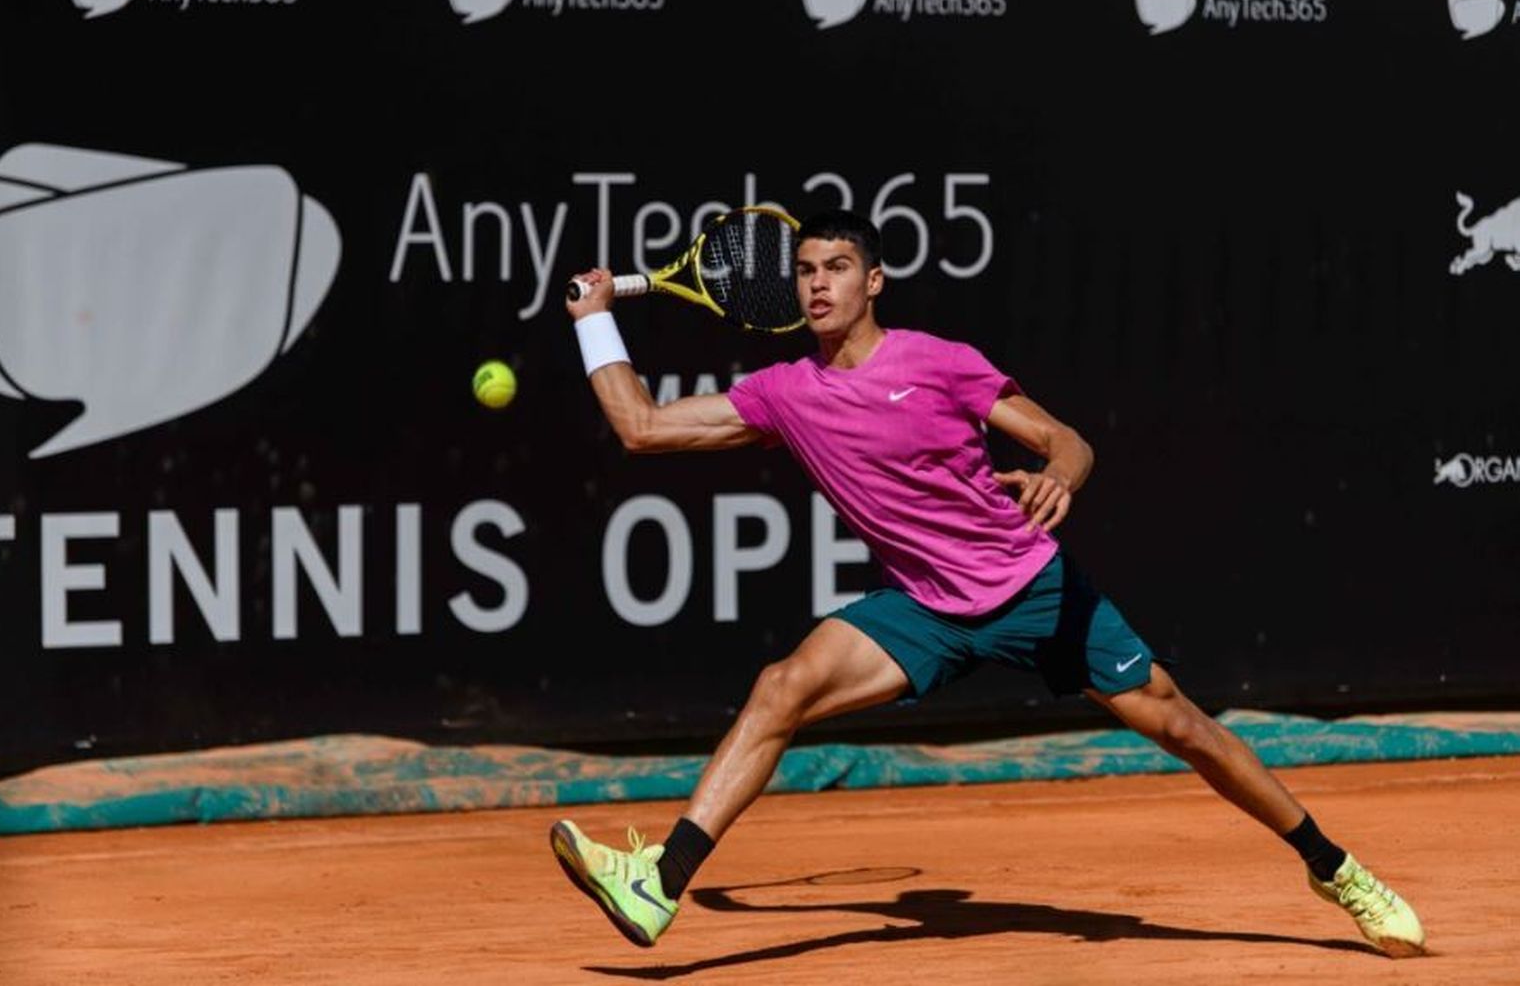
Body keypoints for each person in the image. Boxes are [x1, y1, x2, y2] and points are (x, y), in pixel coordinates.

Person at [550, 209, 1425, 958]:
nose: (818, 285)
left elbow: (1069, 440)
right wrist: (596, 320)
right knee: (780, 687)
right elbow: (643, 426)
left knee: (1186, 728)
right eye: (807, 271)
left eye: (838, 268)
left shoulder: (939, 362)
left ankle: (1335, 868)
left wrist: (1061, 479)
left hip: (1034, 589)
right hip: (925, 608)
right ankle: (659, 883)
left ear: (875, 280)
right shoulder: (787, 391)